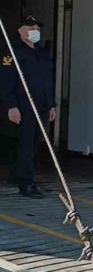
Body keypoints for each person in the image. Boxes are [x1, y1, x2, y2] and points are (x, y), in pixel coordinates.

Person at [0, 16, 56, 199]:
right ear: (20, 30)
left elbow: (46, 81)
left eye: (37, 28)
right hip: (23, 106)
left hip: (41, 106)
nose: (35, 31)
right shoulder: (12, 53)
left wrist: (51, 105)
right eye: (31, 27)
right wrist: (11, 106)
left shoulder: (41, 53)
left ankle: (16, 175)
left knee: (33, 144)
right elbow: (6, 81)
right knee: (25, 144)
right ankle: (27, 184)